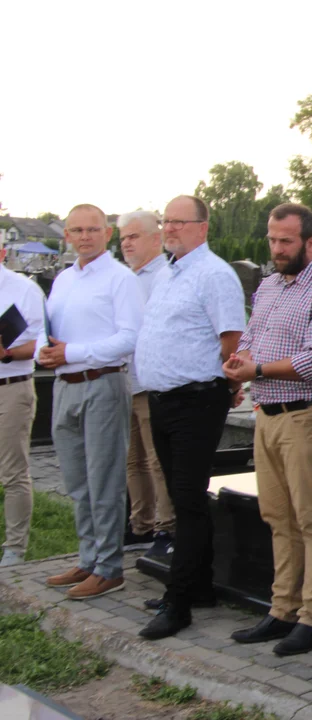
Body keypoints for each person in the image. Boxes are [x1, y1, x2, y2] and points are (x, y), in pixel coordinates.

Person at [223, 203, 312, 656]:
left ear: (310, 242)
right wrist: (238, 366)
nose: (276, 249)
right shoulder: (270, 285)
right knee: (277, 517)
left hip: (307, 415)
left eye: (285, 241)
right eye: (273, 240)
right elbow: (251, 334)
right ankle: (282, 609)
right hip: (265, 413)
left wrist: (256, 369)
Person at [135, 195, 247, 640]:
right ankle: (197, 586)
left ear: (203, 227)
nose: (169, 229)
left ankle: (177, 603)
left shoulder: (214, 274)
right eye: (166, 222)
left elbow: (232, 338)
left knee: (187, 497)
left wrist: (220, 380)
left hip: (195, 400)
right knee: (185, 499)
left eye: (179, 222)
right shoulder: (170, 271)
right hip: (163, 399)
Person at [38, 204, 144, 599]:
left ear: (108, 234)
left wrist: (73, 352)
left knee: (104, 479)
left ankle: (110, 567)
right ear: (66, 235)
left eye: (93, 229)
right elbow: (50, 332)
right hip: (64, 385)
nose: (85, 237)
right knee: (77, 480)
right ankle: (88, 557)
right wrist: (43, 353)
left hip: (101, 383)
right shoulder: (64, 280)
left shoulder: (120, 279)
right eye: (77, 230)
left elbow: (129, 337)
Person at [118, 210, 174, 558]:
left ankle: (165, 527)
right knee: (132, 459)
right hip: (125, 381)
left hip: (151, 382)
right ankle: (140, 525)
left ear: (156, 239)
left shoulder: (164, 277)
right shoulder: (126, 278)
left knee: (157, 460)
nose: (126, 242)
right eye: (123, 237)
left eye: (134, 236)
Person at [0, 235, 46, 567]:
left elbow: (44, 342)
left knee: (12, 471)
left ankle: (14, 548)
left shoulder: (24, 289)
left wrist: (7, 353)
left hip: (11, 386)